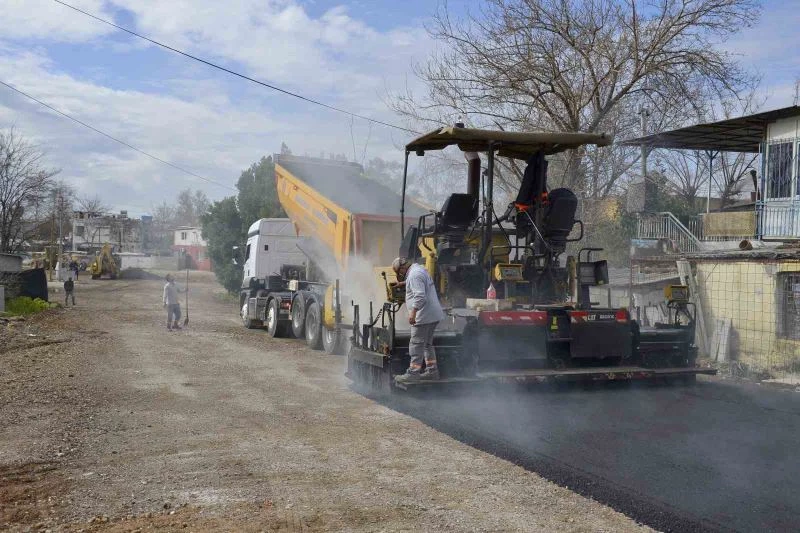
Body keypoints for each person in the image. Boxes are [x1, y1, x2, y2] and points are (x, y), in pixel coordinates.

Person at [392, 257, 445, 383]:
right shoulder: (419, 269)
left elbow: (420, 296)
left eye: (399, 272)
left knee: (416, 343)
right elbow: (419, 283)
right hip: (433, 314)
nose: (400, 275)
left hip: (423, 315)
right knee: (427, 344)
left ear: (403, 268)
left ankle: (413, 373)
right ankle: (432, 371)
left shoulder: (414, 275)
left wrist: (413, 313)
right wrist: (404, 284)